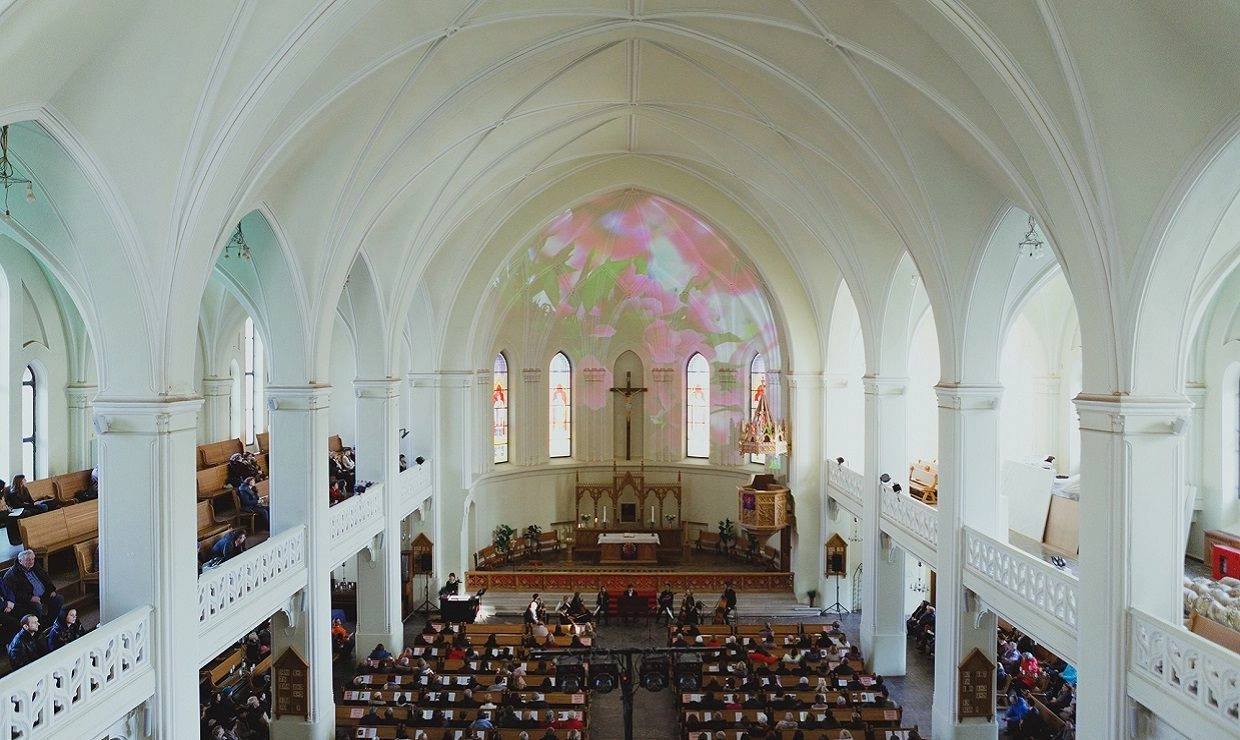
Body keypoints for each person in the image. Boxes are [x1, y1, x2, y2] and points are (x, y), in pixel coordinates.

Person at [3, 549, 63, 618]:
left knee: (58, 599)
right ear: (20, 561)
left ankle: (50, 621)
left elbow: (46, 578)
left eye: (33, 559)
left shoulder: (35, 566)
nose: (31, 562)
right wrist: (30, 598)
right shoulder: (12, 575)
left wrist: (51, 589)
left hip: (43, 595)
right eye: (28, 560)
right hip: (27, 600)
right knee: (37, 607)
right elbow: (14, 593)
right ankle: (39, 626)